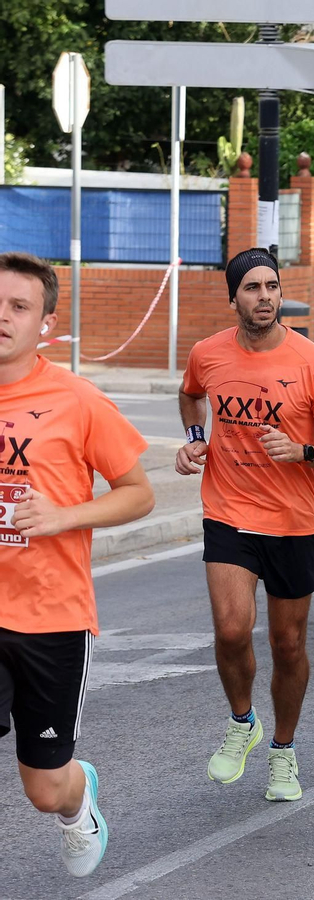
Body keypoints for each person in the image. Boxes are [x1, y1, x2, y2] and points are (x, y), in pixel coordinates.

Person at [178, 248, 314, 803]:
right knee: (232, 630)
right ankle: (243, 722)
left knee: (288, 643)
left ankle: (283, 749)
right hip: (228, 511)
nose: (264, 297)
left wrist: (302, 451)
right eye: (253, 288)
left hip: (291, 521)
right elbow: (190, 395)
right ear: (233, 297)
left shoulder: (312, 363)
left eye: (272, 287)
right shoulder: (208, 353)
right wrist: (195, 441)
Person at [0, 251, 154, 877]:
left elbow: (138, 493)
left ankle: (76, 797)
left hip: (51, 617)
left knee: (44, 789)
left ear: (46, 323)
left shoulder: (76, 399)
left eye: (18, 306)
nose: (2, 316)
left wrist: (63, 515)